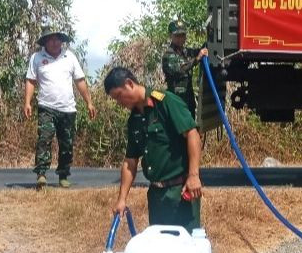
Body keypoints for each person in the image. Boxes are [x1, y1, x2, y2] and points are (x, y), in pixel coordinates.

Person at [105, 66, 202, 230]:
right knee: (159, 250)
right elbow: (130, 161)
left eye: (119, 96)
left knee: (186, 249)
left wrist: (194, 176)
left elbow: (192, 134)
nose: (119, 103)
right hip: (156, 197)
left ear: (129, 83)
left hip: (180, 192)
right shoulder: (134, 119)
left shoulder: (166, 102)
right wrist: (122, 199)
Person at [24, 28, 94, 188]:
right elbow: (30, 80)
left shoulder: (70, 57)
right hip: (46, 107)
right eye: (51, 40)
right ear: (45, 42)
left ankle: (63, 175)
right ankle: (41, 174)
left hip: (68, 109)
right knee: (44, 139)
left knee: (66, 144)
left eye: (57, 39)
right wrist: (27, 102)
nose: (55, 43)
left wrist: (89, 102)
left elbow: (80, 80)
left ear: (61, 41)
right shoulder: (37, 58)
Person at [160, 19, 208, 117]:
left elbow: (199, 51)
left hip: (189, 102)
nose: (180, 38)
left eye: (182, 35)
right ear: (171, 36)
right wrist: (197, 59)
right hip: (176, 102)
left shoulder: (185, 52)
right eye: (177, 36)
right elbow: (181, 69)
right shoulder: (168, 55)